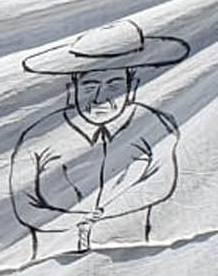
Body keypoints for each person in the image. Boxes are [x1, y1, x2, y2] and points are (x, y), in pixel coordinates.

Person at [11, 20, 188, 257]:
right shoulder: (39, 137)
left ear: (133, 86)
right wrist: (73, 222)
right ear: (72, 89)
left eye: (114, 86)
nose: (99, 98)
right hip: (52, 262)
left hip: (129, 259)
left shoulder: (154, 124)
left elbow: (161, 182)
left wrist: (106, 214)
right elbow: (23, 204)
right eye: (89, 86)